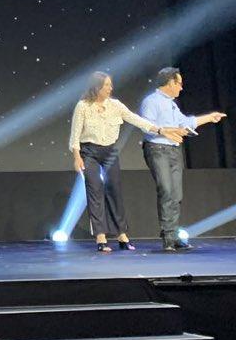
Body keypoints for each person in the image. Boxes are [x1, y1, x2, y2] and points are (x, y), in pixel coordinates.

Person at [69, 71, 185, 252]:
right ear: (97, 87)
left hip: (109, 152)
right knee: (95, 190)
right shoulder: (83, 106)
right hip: (89, 152)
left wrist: (160, 130)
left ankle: (122, 235)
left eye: (110, 85)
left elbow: (136, 119)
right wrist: (77, 157)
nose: (110, 88)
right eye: (107, 85)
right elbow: (75, 135)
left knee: (114, 190)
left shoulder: (115, 105)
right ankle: (100, 236)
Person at [138, 67, 225, 252]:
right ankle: (168, 236)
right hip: (158, 149)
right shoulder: (151, 101)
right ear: (170, 83)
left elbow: (185, 123)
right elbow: (146, 126)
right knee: (166, 191)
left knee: (176, 194)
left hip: (174, 150)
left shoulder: (171, 104)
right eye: (179, 83)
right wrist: (169, 132)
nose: (181, 88)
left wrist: (210, 117)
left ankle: (174, 235)